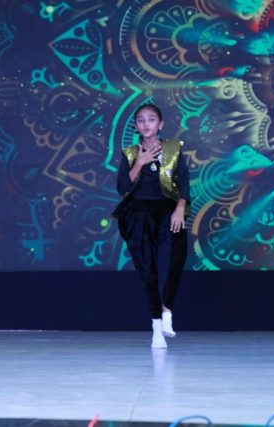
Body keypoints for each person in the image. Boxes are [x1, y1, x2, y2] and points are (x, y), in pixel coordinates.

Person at [112, 104, 190, 349]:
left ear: (160, 124)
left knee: (170, 262)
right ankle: (156, 327)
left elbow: (184, 182)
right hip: (138, 214)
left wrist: (180, 208)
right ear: (136, 126)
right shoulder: (130, 153)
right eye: (141, 120)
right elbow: (122, 188)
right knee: (147, 270)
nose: (146, 124)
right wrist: (141, 162)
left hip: (168, 211)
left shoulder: (173, 149)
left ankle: (167, 313)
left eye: (151, 119)